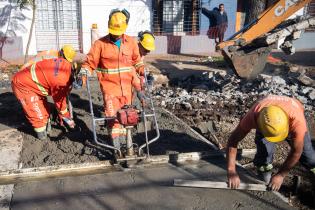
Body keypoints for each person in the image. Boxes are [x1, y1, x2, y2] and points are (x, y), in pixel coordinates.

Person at [79, 9, 144, 150]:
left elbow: (137, 62)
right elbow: (89, 64)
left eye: (118, 32)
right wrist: (82, 76)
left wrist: (143, 72)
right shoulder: (100, 44)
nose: (115, 35)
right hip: (109, 90)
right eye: (113, 32)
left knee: (128, 118)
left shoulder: (131, 43)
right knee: (113, 119)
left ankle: (127, 146)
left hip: (127, 90)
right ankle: (117, 148)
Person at [226, 95, 315, 191]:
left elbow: (296, 151)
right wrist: (231, 171)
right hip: (266, 119)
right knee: (264, 154)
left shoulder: (297, 122)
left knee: (309, 157)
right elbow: (233, 140)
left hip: (292, 113)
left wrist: (281, 175)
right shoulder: (254, 115)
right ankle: (264, 176)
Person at [11, 45, 77, 140]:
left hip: (34, 81)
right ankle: (42, 137)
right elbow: (60, 105)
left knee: (46, 110)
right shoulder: (60, 81)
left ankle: (47, 125)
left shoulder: (64, 64)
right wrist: (68, 121)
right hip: (23, 85)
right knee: (38, 116)